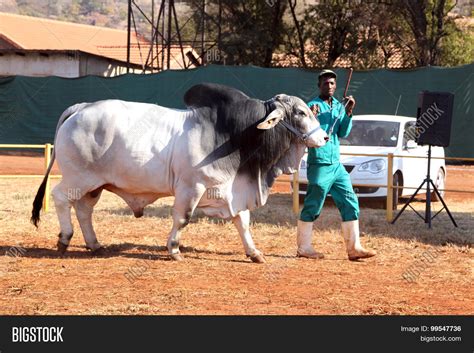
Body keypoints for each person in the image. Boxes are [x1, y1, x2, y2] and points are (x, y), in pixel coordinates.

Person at [296, 69, 376, 261]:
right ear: (319, 85)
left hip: (337, 165)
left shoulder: (340, 107)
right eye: (325, 83)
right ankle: (304, 248)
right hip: (320, 163)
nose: (329, 86)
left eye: (332, 83)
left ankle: (354, 248)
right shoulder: (311, 106)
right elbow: (305, 131)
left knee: (350, 200)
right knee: (313, 205)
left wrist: (348, 113)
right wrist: (312, 116)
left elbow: (343, 132)